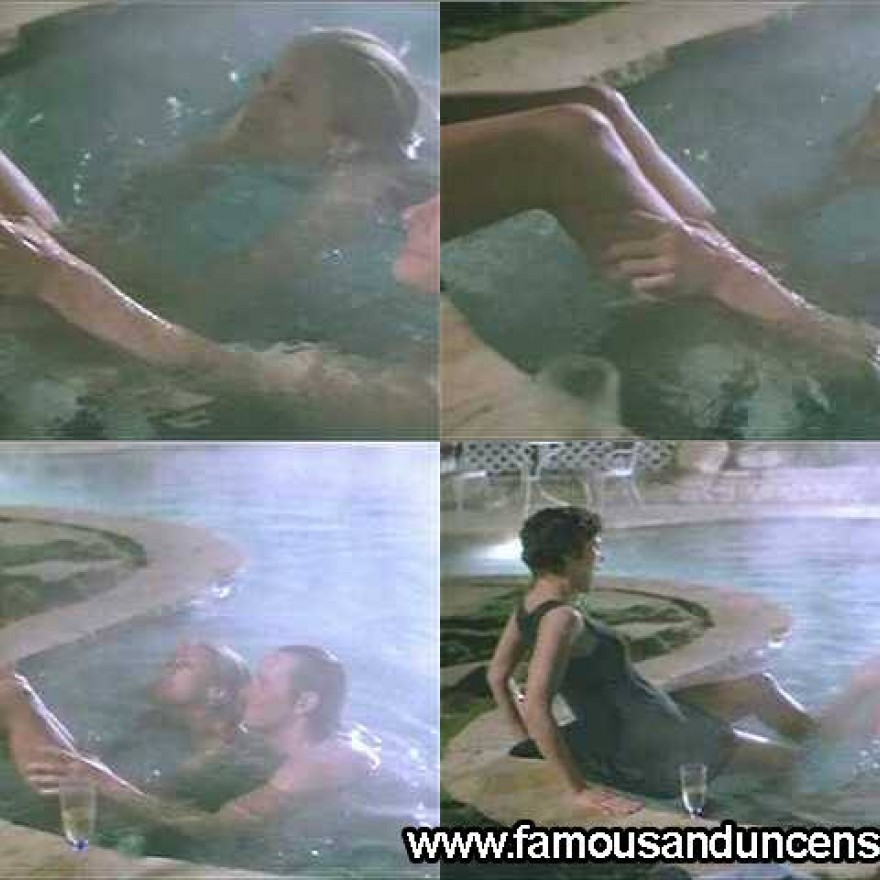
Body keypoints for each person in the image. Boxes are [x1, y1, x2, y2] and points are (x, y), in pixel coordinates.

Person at [0, 28, 439, 437]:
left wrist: (64, 275)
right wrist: (220, 150)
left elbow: (221, 302)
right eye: (266, 80)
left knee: (54, 290)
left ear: (342, 143)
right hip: (235, 348)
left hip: (239, 365)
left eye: (286, 96)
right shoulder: (282, 126)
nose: (258, 99)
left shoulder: (353, 195)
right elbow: (132, 205)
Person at [441, 84, 880, 435]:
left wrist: (732, 277)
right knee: (597, 103)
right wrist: (830, 187)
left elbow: (870, 360)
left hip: (811, 348)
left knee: (571, 139)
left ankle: (689, 291)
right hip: (815, 294)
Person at [487, 507, 822, 814]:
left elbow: (497, 676)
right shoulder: (562, 619)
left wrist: (524, 740)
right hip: (650, 741)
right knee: (792, 762)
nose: (599, 558)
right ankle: (812, 792)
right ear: (568, 556)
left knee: (757, 686)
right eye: (594, 547)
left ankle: (824, 743)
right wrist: (579, 790)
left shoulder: (528, 607)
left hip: (645, 716)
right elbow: (536, 704)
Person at [21, 645, 379, 869]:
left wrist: (108, 783)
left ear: (304, 703)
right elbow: (169, 791)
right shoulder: (259, 745)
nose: (245, 690)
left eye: (263, 682)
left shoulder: (321, 762)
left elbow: (216, 829)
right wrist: (96, 776)